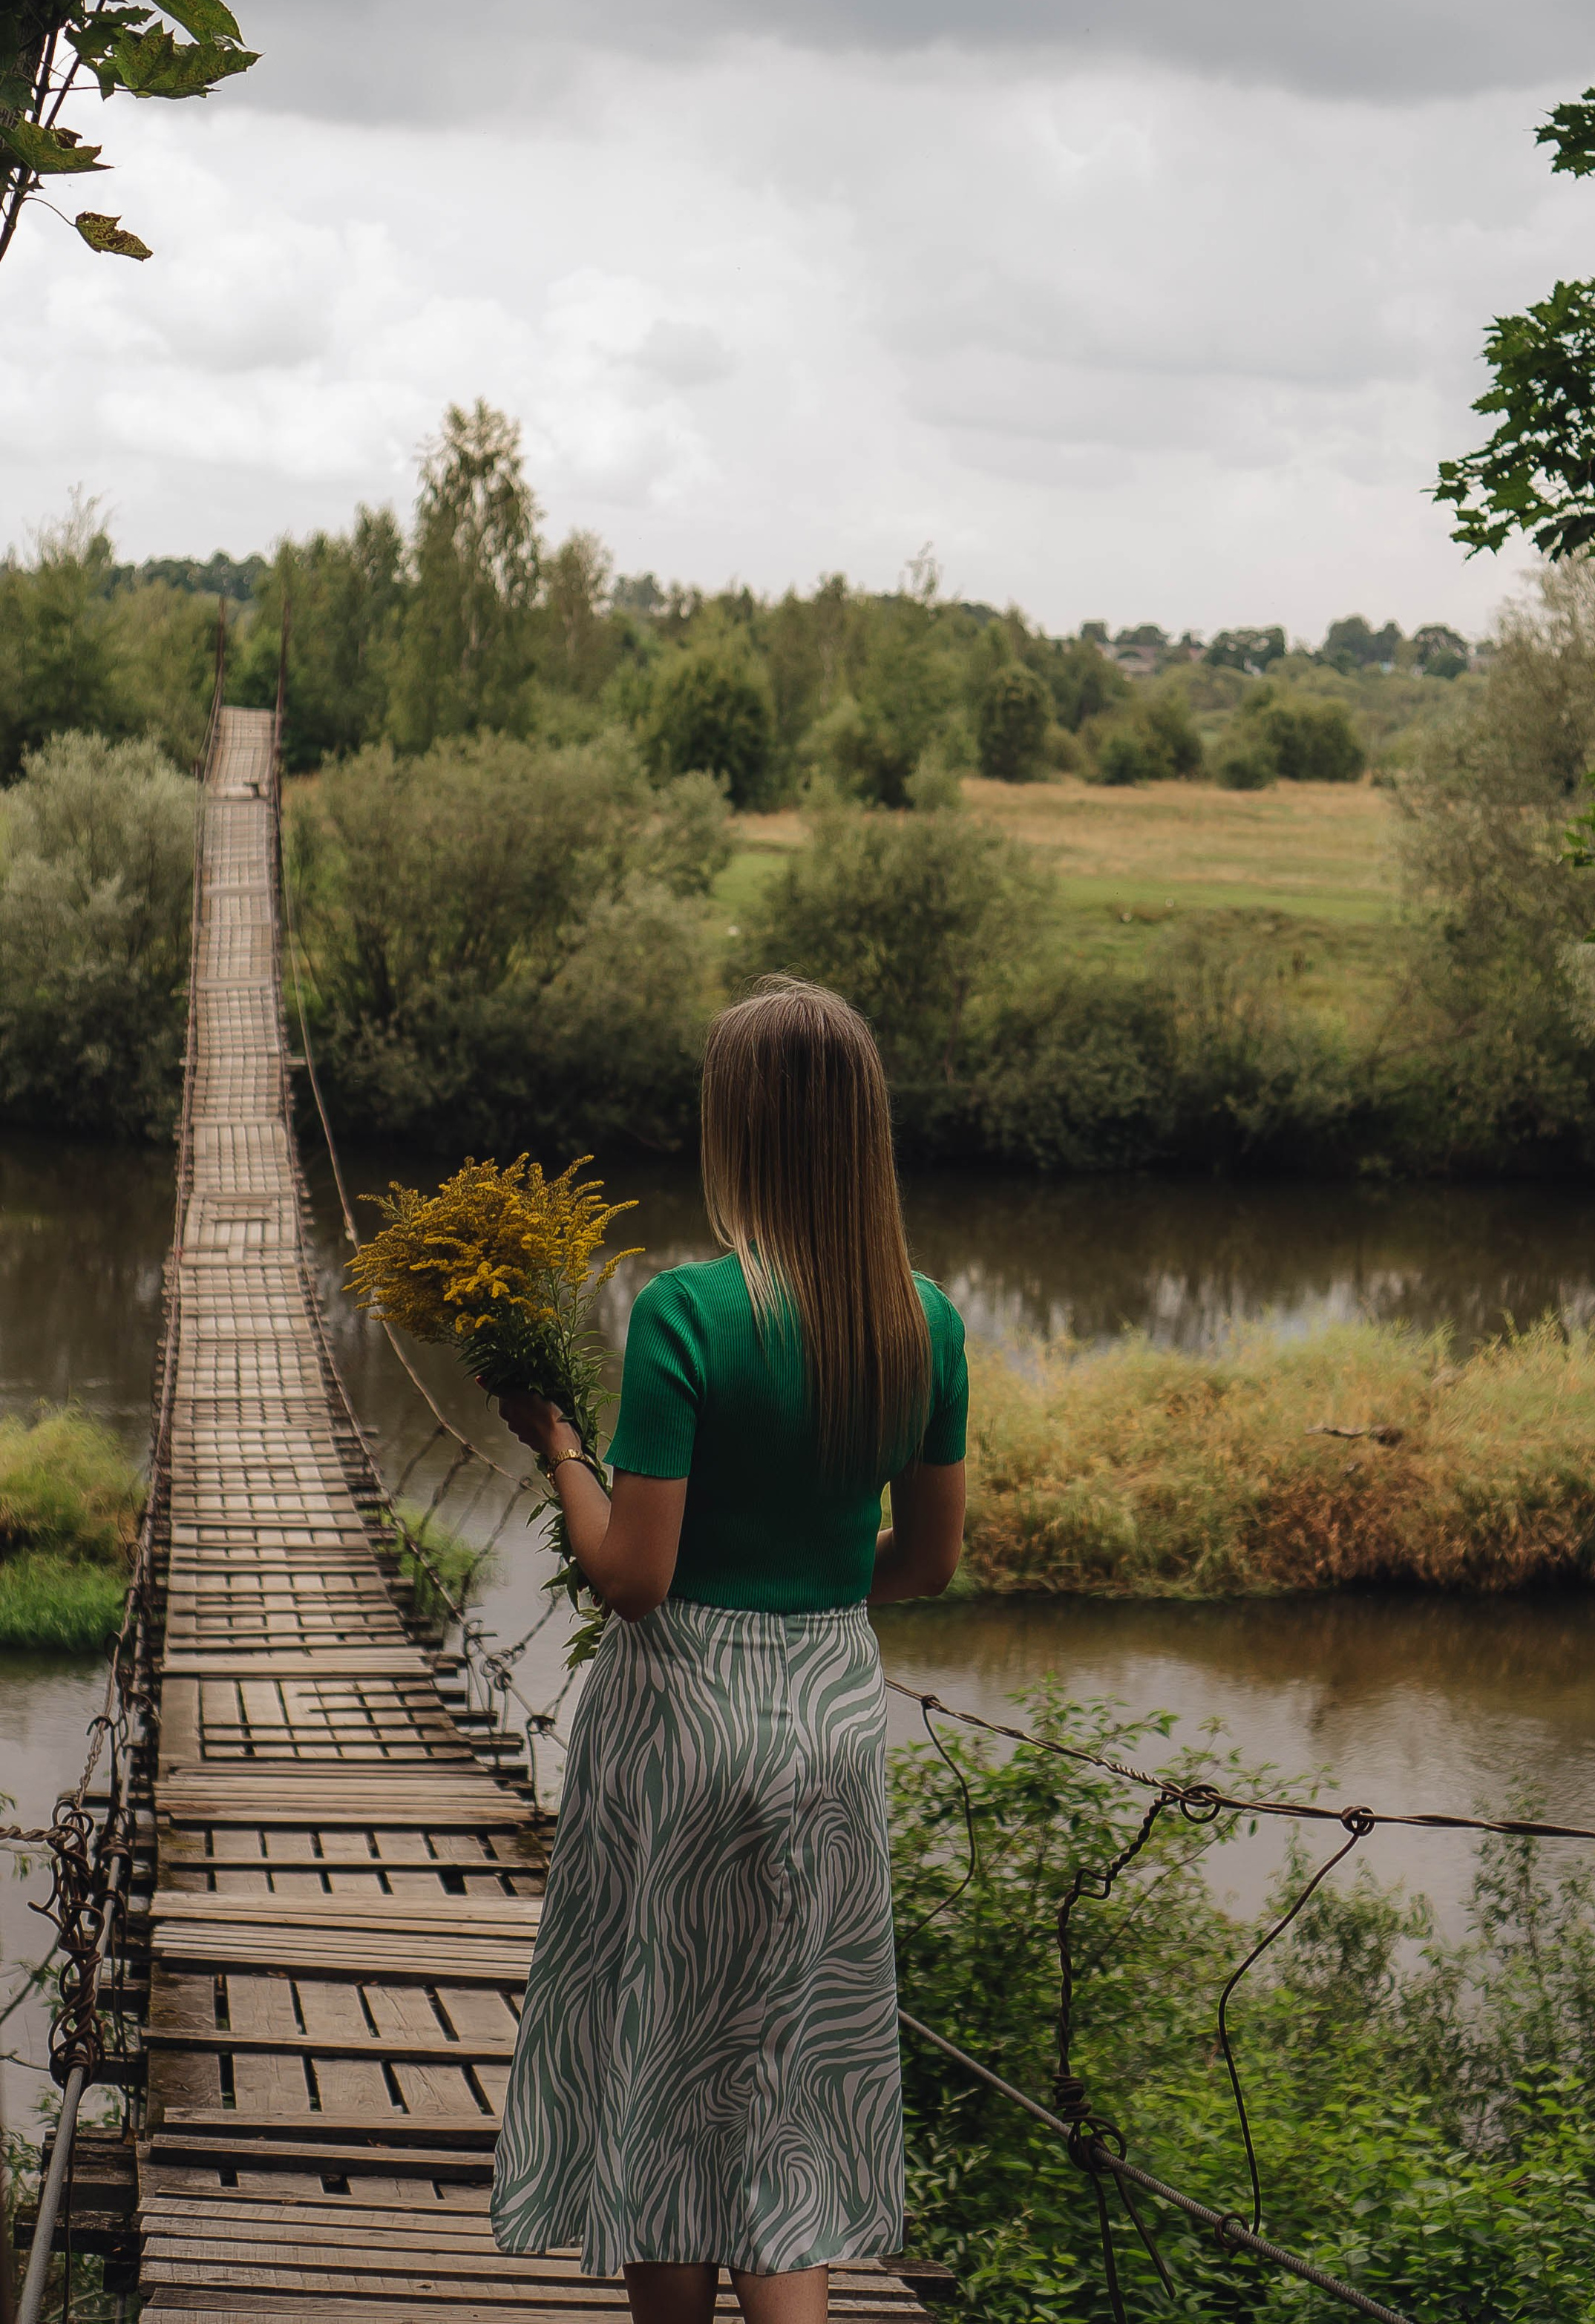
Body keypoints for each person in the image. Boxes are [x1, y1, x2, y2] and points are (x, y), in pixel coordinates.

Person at [488, 975, 968, 2324]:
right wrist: (809, 1597)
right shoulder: (925, 1322)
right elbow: (926, 1563)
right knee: (786, 2096)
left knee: (668, 2082)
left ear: (736, 1132)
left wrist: (561, 1444)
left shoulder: (686, 1314)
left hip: (685, 1723)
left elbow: (633, 1577)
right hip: (828, 1720)